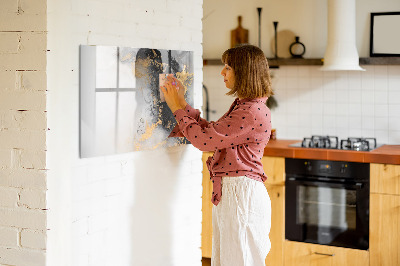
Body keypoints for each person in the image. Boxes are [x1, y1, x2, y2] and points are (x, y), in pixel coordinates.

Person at [161, 44, 273, 266]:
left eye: (228, 67)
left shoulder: (250, 111)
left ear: (244, 72)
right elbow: (211, 133)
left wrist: (176, 108)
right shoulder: (246, 106)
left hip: (241, 195)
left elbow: (204, 141)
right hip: (235, 193)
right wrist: (182, 103)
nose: (222, 72)